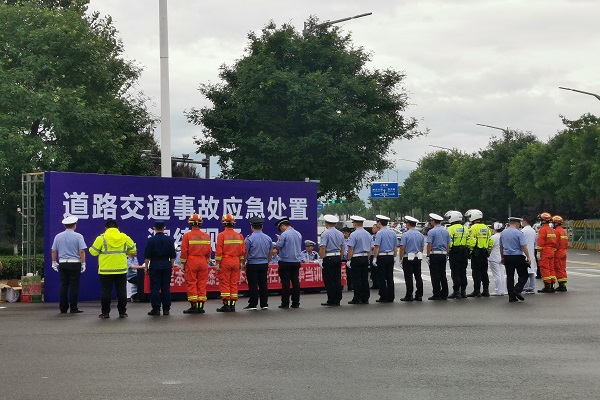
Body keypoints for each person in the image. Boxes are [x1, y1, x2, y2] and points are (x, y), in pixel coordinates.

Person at [89, 219, 136, 319]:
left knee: (106, 292)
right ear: (118, 228)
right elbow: (133, 250)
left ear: (105, 228)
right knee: (122, 291)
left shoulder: (101, 238)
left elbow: (93, 252)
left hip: (105, 270)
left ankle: (105, 313)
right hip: (121, 269)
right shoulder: (125, 237)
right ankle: (122, 312)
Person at [51, 216, 87, 314]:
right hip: (75, 263)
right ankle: (73, 307)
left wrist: (54, 262)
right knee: (74, 286)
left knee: (63, 285)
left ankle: (63, 308)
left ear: (64, 225)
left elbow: (53, 251)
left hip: (62, 263)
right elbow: (82, 251)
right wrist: (83, 263)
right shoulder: (78, 236)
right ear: (74, 225)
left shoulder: (58, 236)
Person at [180, 213, 212, 314]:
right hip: (203, 261)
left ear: (190, 223)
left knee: (191, 282)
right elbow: (209, 250)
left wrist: (183, 263)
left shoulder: (187, 236)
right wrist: (206, 260)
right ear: (200, 223)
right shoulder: (206, 236)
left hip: (191, 261)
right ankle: (201, 306)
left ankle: (194, 306)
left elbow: (184, 251)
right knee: (202, 283)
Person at [143, 221, 177, 316]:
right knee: (166, 288)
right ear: (164, 228)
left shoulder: (151, 240)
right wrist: (172, 265)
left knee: (155, 288)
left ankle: (156, 309)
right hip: (166, 265)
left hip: (155, 265)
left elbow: (147, 256)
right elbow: (173, 255)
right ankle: (166, 309)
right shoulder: (170, 240)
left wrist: (146, 267)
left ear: (154, 228)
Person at [215, 214, 246, 312]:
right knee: (233, 283)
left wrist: (217, 263)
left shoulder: (222, 235)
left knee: (225, 282)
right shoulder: (240, 236)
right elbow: (243, 251)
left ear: (223, 223)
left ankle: (226, 304)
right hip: (236, 261)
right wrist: (241, 262)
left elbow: (219, 251)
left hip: (226, 261)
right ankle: (232, 305)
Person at [243, 216, 273, 310]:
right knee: (263, 284)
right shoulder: (268, 238)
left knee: (253, 284)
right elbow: (271, 252)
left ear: (252, 227)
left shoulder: (249, 238)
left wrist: (243, 263)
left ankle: (253, 304)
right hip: (264, 263)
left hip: (252, 264)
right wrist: (268, 261)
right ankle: (264, 304)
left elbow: (246, 252)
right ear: (262, 226)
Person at [500, 217, 531, 302]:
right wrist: (528, 256)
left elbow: (501, 246)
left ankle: (511, 297)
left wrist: (502, 256)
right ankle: (517, 289)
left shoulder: (503, 233)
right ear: (517, 224)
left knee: (510, 276)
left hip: (507, 256)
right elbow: (523, 246)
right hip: (518, 256)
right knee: (524, 275)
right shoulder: (519, 233)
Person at [275, 217, 303, 309]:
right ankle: (296, 303)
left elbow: (278, 247)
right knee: (295, 282)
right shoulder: (298, 233)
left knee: (285, 283)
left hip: (285, 261)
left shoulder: (284, 234)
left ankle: (285, 303)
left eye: (280, 228)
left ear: (283, 226)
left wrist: (278, 240)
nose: (281, 230)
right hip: (296, 261)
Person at [465, 209, 493, 297]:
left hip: (476, 252)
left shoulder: (473, 228)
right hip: (485, 252)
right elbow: (490, 241)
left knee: (476, 272)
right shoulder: (486, 228)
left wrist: (470, 251)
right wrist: (488, 250)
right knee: (484, 272)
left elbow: (472, 241)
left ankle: (477, 291)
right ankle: (486, 290)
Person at [319, 214, 345, 307]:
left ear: (327, 224)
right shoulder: (340, 233)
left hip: (328, 257)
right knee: (337, 279)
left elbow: (323, 247)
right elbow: (343, 246)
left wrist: (321, 259)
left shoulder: (325, 234)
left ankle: (331, 299)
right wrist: (341, 256)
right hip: (337, 256)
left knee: (329, 280)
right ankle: (338, 299)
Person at [346, 215, 373, 305]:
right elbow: (371, 247)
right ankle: (365, 298)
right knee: (365, 279)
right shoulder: (368, 234)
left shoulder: (354, 234)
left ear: (355, 224)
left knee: (356, 279)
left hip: (356, 257)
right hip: (365, 257)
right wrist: (367, 257)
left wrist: (349, 259)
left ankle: (357, 297)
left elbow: (351, 248)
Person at [398, 216, 425, 302]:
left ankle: (409, 295)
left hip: (408, 257)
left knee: (409, 277)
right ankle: (419, 295)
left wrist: (401, 258)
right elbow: (422, 247)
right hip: (417, 257)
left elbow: (402, 248)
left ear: (408, 224)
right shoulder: (420, 235)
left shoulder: (405, 234)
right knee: (418, 277)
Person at [373, 214, 398, 303]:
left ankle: (383, 296)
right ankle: (391, 296)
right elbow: (395, 246)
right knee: (390, 277)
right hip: (390, 256)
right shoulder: (393, 232)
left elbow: (377, 246)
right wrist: (394, 256)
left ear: (379, 223)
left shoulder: (379, 233)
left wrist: (375, 258)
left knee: (382, 277)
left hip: (382, 256)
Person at [444, 210, 469, 299]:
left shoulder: (450, 229)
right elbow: (469, 240)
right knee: (463, 272)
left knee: (455, 272)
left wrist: (448, 251)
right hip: (464, 251)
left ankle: (456, 292)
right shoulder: (465, 228)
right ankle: (463, 292)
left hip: (455, 251)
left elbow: (449, 241)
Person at [426, 213, 451, 300]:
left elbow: (429, 244)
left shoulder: (431, 231)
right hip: (443, 254)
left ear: (433, 221)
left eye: (431, 221)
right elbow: (448, 244)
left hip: (435, 254)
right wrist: (447, 254)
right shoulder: (446, 231)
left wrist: (428, 255)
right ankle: (444, 293)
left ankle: (436, 293)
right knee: (442, 274)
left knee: (435, 275)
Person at [537, 212, 558, 293]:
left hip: (545, 251)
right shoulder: (552, 230)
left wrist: (538, 252)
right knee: (551, 268)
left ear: (543, 221)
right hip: (551, 251)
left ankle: (547, 286)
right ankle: (552, 285)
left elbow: (540, 242)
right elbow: (555, 242)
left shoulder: (543, 230)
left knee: (544, 268)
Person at [521, 215, 538, 294]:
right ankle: (532, 287)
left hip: (524, 252)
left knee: (525, 271)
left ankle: (526, 287)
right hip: (531, 252)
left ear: (525, 221)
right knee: (532, 271)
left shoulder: (523, 231)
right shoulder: (533, 231)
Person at [488, 222, 506, 296]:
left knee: (496, 275)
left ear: (495, 229)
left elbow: (489, 247)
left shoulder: (493, 237)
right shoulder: (503, 236)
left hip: (493, 257)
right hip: (502, 256)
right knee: (502, 274)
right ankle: (502, 290)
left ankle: (498, 290)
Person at [552, 215, 569, 292]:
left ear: (556, 223)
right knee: (563, 268)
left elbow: (555, 243)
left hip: (558, 252)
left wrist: (552, 251)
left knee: (558, 268)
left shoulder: (556, 231)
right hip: (564, 252)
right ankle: (563, 284)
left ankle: (561, 286)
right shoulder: (564, 231)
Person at [369, 223, 380, 290]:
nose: (373, 229)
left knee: (378, 271)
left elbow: (376, 246)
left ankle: (379, 283)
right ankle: (374, 283)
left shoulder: (379, 236)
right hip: (372, 255)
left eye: (374, 228)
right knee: (373, 271)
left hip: (378, 255)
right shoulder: (371, 236)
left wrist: (373, 247)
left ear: (378, 228)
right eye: (372, 228)